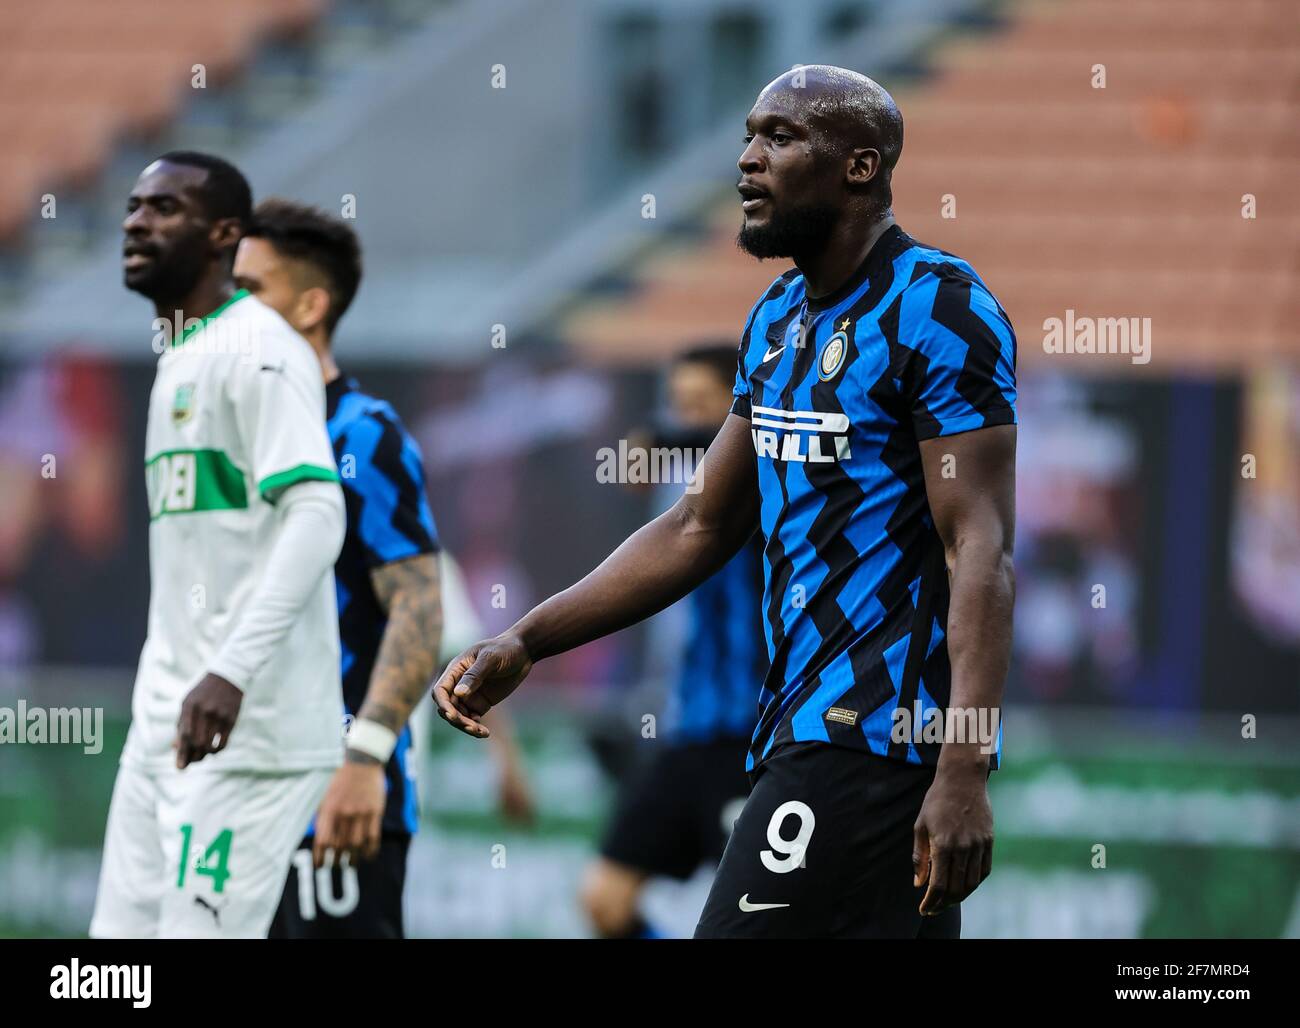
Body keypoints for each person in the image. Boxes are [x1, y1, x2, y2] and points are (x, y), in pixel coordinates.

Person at [435, 66, 1017, 939]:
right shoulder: (778, 318)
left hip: (870, 743)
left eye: (780, 138)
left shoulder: (941, 306)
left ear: (861, 166)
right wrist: (527, 638)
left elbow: (978, 549)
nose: (747, 159)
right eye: (750, 135)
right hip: (790, 726)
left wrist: (964, 765)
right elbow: (697, 522)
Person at [233, 199, 532, 938]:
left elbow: (423, 612)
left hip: (332, 797)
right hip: (232, 798)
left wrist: (362, 761)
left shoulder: (363, 434)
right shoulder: (237, 434)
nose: (226, 310)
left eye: (250, 291)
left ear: (311, 304)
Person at [91, 153, 347, 938]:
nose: (136, 222)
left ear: (222, 235)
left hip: (252, 734)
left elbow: (317, 512)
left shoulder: (259, 350)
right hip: (164, 724)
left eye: (164, 209)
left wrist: (229, 671)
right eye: (133, 206)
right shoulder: (180, 355)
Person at [581, 345, 767, 939]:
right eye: (676, 401)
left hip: (754, 737)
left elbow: (689, 447)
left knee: (755, 916)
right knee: (604, 900)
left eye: (698, 403)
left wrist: (663, 438)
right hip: (686, 727)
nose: (683, 416)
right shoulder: (681, 479)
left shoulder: (769, 469)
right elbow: (635, 468)